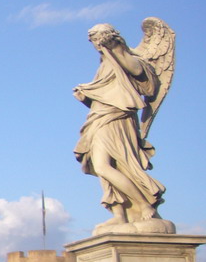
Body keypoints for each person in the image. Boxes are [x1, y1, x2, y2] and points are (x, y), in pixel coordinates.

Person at [73, 20, 174, 229]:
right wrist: (86, 96)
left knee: (112, 164)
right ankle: (119, 212)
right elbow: (108, 92)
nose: (95, 45)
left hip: (117, 117)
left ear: (108, 37)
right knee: (99, 165)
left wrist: (116, 49)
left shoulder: (124, 56)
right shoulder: (104, 64)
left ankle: (145, 205)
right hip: (99, 116)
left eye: (97, 39)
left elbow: (138, 72)